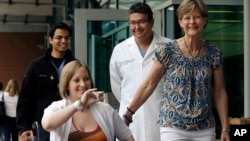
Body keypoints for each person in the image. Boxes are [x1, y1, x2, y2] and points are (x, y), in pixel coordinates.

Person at [123, 0, 230, 141]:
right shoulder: (168, 50)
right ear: (180, 22)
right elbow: (149, 84)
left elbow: (219, 92)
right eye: (187, 17)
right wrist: (128, 113)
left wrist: (225, 128)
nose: (192, 21)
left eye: (197, 17)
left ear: (204, 20)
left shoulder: (213, 53)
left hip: (205, 127)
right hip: (173, 126)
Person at [109, 2, 171, 141]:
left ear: (152, 22)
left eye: (141, 22)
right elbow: (117, 87)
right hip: (130, 121)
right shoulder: (120, 50)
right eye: (133, 23)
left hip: (161, 119)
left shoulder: (168, 46)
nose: (137, 27)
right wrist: (132, 103)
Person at [39, 60, 135, 141]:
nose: (83, 84)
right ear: (66, 85)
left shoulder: (105, 109)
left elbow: (128, 138)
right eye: (76, 80)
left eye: (86, 79)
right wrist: (79, 105)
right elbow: (47, 125)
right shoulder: (57, 107)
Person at [16, 22, 76, 141]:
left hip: (71, 122)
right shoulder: (36, 66)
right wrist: (24, 127)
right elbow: (25, 98)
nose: (64, 41)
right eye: (59, 37)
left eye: (67, 38)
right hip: (43, 124)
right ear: (50, 40)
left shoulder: (76, 66)